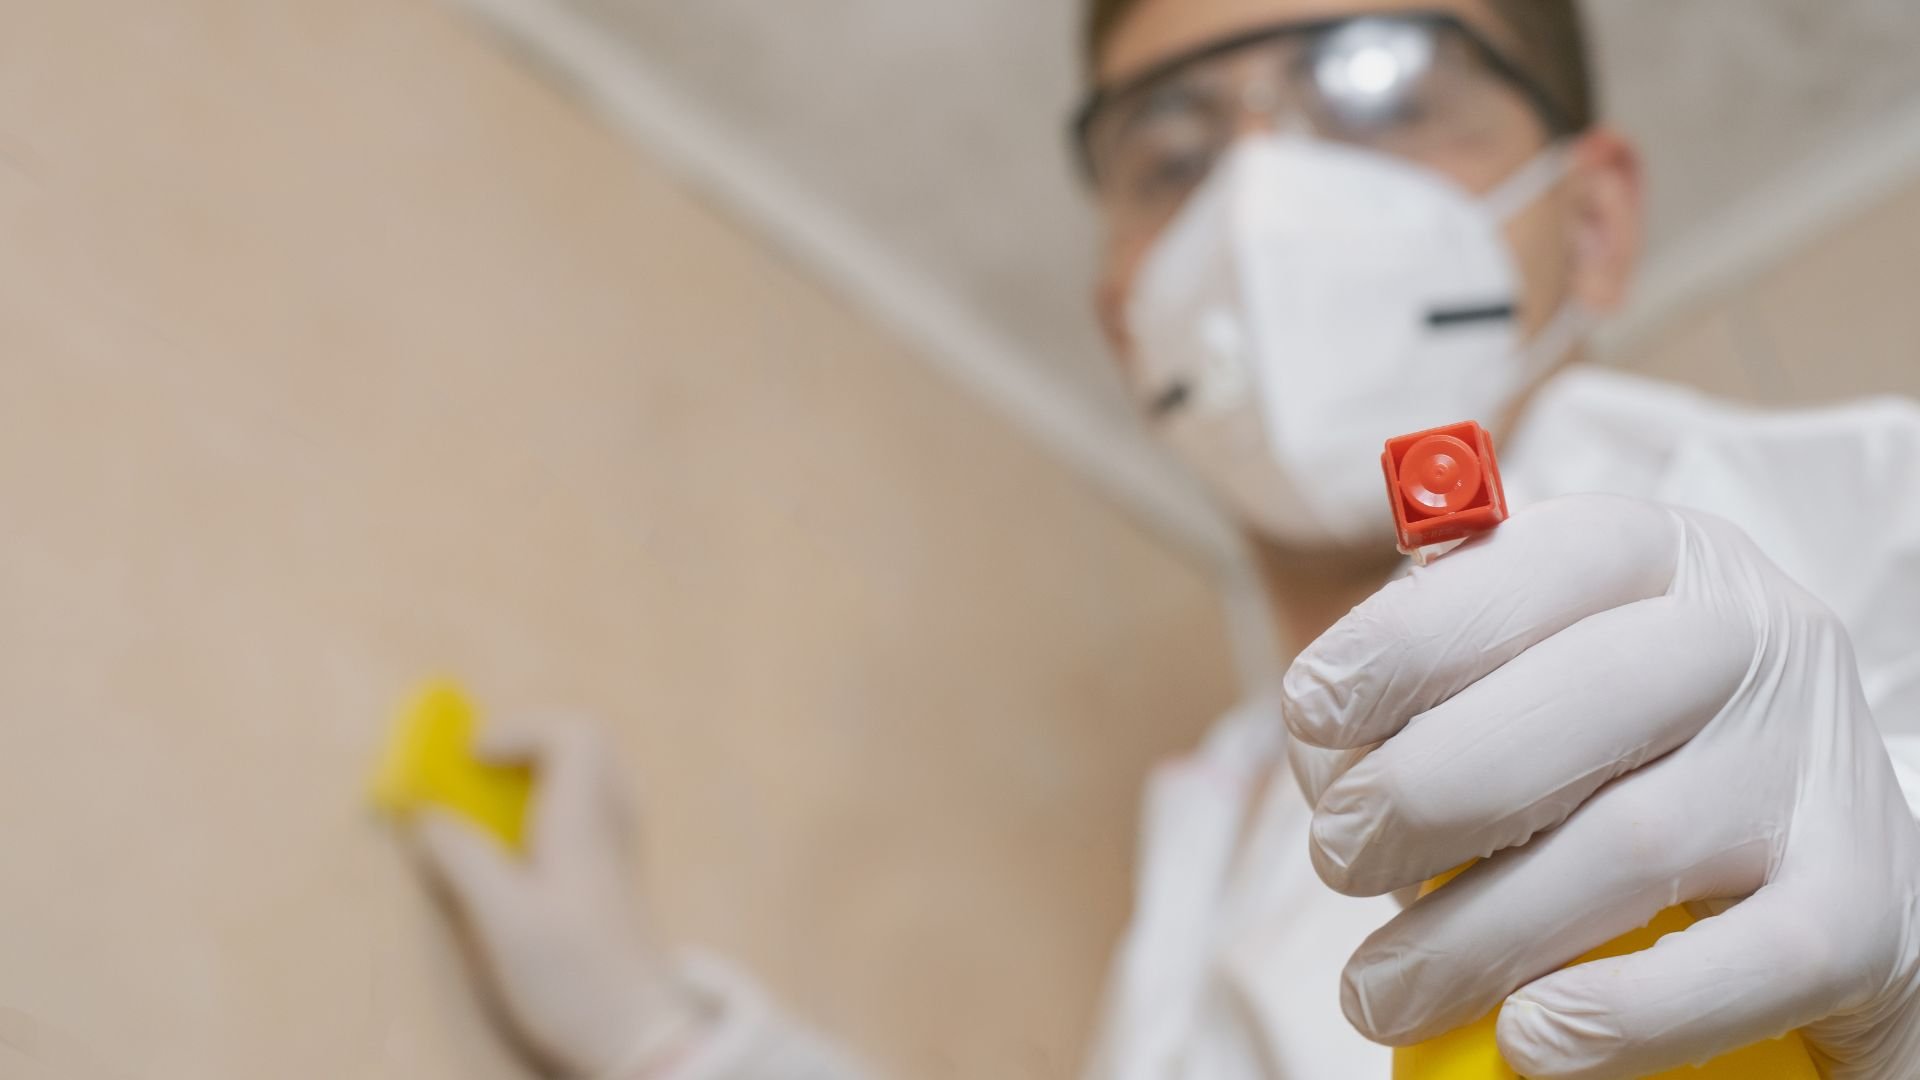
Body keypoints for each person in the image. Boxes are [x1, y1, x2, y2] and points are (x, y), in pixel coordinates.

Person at [406, 0, 1920, 1077]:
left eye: (1382, 88)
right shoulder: (1218, 814)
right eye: (1174, 154)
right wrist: (664, 1041)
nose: (1264, 209)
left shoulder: (1874, 528)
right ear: (1126, 315)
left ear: (1590, 223)